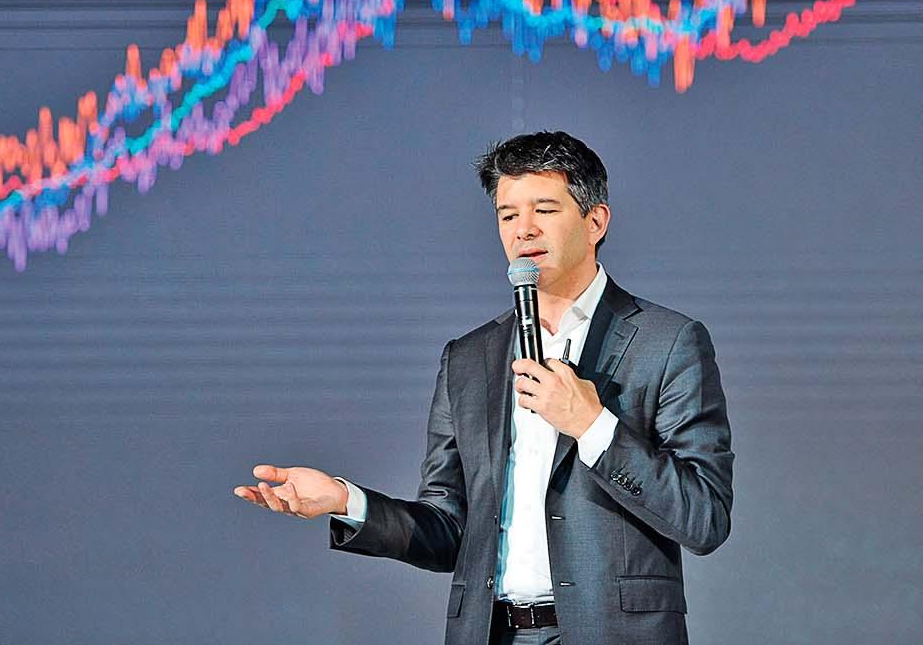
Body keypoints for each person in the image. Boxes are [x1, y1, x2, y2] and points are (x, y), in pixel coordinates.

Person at [234, 131, 734, 645]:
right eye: (507, 215)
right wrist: (346, 500)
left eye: (544, 210)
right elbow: (447, 528)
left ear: (595, 222)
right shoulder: (469, 359)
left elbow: (705, 519)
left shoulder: (667, 342)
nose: (524, 230)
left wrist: (592, 426)